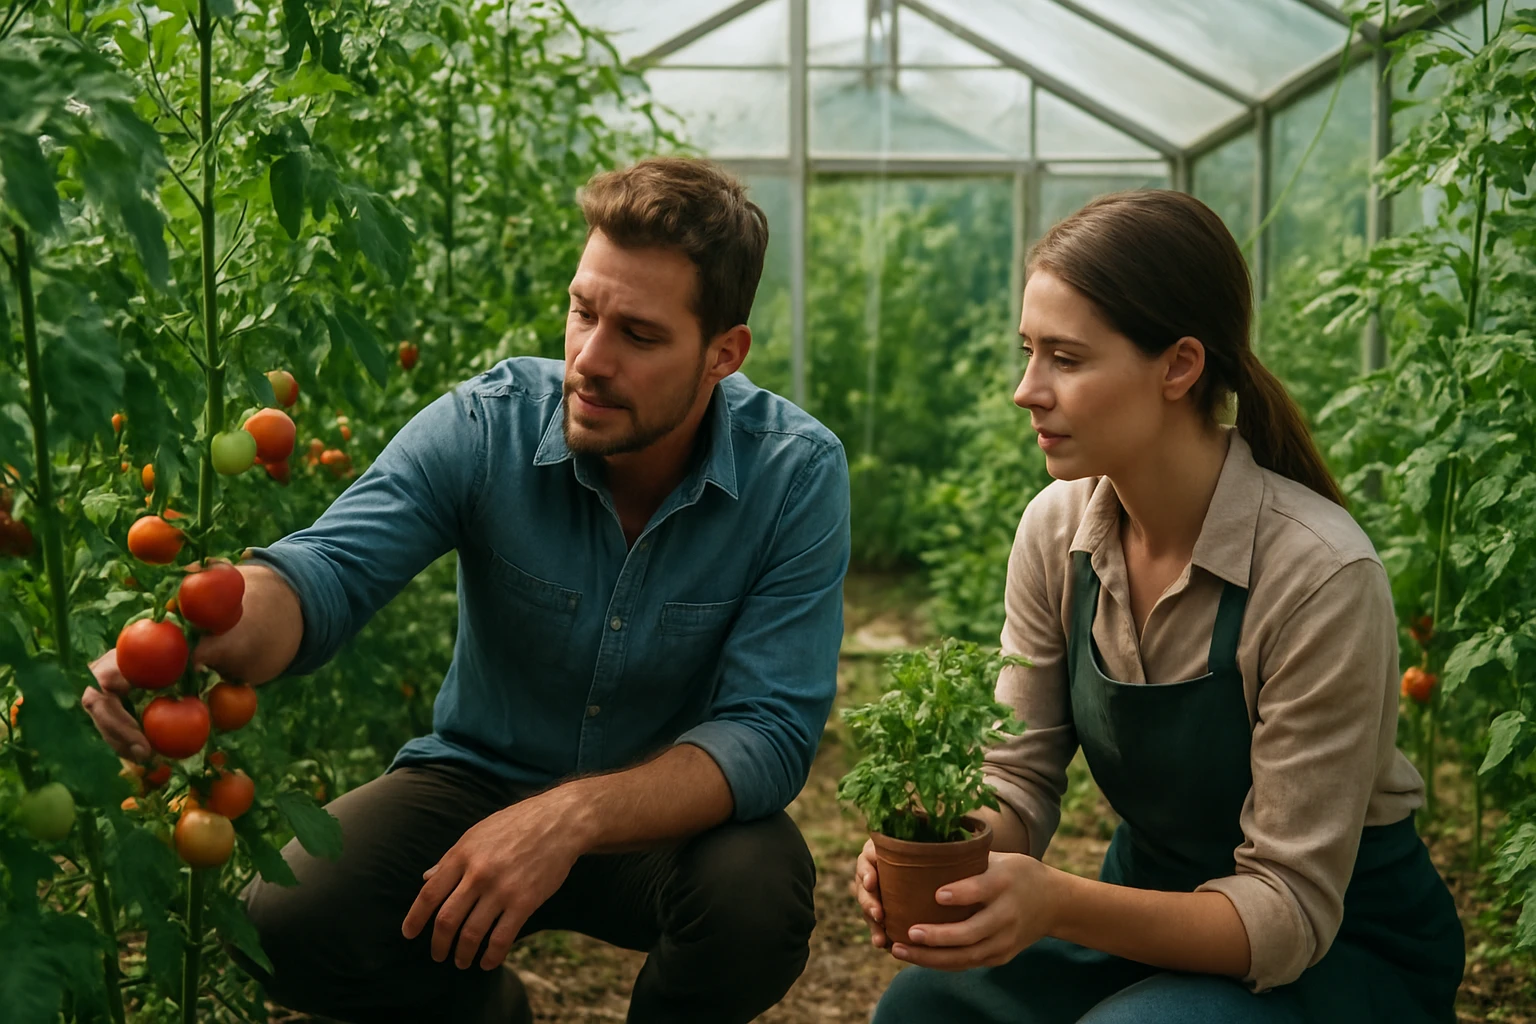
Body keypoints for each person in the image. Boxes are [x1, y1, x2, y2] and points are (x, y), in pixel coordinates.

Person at [83, 157, 851, 1024]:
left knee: (758, 895)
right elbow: (324, 573)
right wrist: (193, 633)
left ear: (723, 354)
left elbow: (770, 734)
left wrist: (569, 818)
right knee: (287, 918)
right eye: (582, 311)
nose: (587, 361)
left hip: (667, 826)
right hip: (476, 782)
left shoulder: (794, 472)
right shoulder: (489, 422)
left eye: (638, 335)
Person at [855, 190, 1464, 1023]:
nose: (1025, 390)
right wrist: (936, 845)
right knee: (926, 1004)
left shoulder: (1317, 574)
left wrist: (1055, 903)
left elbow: (1286, 911)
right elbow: (1017, 778)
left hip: (1339, 952)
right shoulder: (1058, 531)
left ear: (1179, 367)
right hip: (1150, 919)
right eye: (1028, 352)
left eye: (1065, 359)